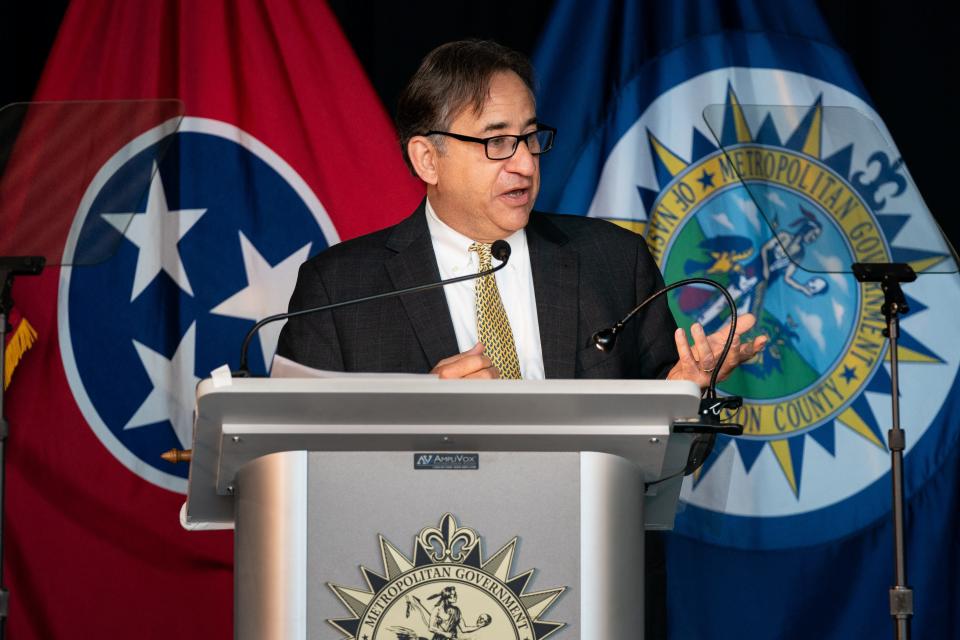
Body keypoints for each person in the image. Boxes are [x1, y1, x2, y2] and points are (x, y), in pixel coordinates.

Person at [275, 39, 766, 639]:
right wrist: (421, 421)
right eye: (496, 141)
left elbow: (670, 470)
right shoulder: (341, 285)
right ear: (426, 159)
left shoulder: (614, 262)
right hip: (415, 602)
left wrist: (686, 401)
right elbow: (297, 484)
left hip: (590, 595)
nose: (526, 163)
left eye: (531, 137)